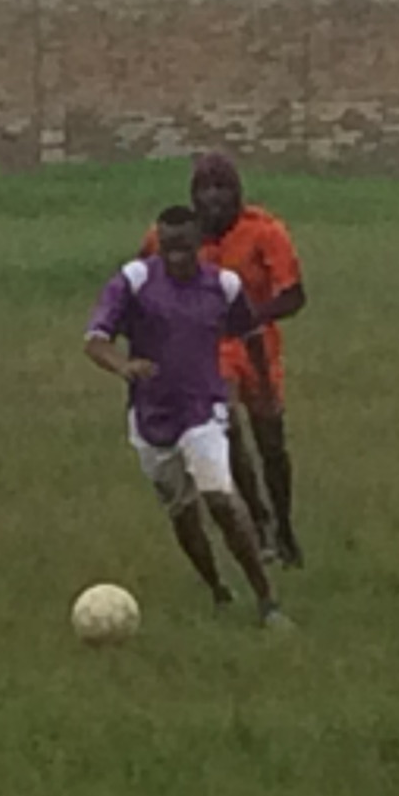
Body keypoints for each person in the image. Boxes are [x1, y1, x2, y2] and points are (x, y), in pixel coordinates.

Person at [86, 206, 291, 629]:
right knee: (181, 509)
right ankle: (217, 589)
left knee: (220, 498)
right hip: (151, 418)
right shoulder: (135, 281)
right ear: (158, 245)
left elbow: (251, 335)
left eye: (184, 247)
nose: (176, 256)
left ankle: (267, 600)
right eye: (168, 247)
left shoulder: (223, 286)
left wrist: (264, 392)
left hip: (203, 410)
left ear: (199, 244)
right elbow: (95, 340)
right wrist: (124, 366)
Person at [144, 155, 308, 566]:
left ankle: (284, 529)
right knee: (225, 424)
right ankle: (258, 520)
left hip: (257, 346)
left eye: (222, 188)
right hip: (208, 350)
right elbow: (141, 278)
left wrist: (251, 315)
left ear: (238, 193)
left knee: (271, 441)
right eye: (204, 188)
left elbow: (294, 295)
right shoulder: (175, 235)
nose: (213, 198)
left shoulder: (264, 231)